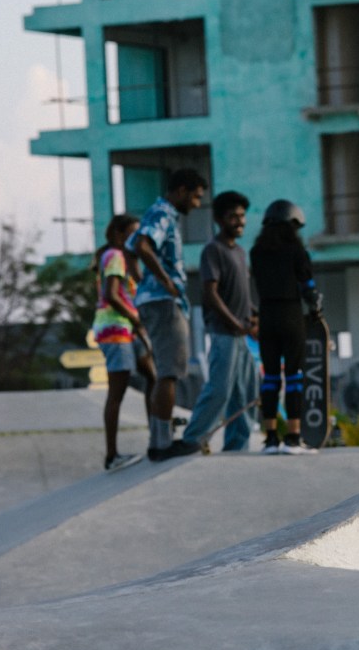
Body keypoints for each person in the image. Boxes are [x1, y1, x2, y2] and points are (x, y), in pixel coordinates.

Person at [128, 167, 209, 461]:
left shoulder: (157, 213)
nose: (197, 204)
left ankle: (160, 439)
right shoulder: (162, 213)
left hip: (156, 299)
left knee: (167, 372)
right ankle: (161, 444)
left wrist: (143, 284)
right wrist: (165, 282)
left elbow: (131, 250)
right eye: (196, 197)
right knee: (169, 373)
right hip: (163, 302)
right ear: (181, 191)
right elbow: (140, 245)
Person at [180, 190, 259, 453]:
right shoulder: (212, 250)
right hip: (224, 333)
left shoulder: (239, 252)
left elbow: (240, 294)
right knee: (220, 390)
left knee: (246, 393)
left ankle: (238, 446)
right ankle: (192, 439)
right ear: (218, 219)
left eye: (242, 216)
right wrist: (235, 323)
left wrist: (253, 316)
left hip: (241, 335)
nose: (239, 222)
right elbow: (210, 293)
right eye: (233, 217)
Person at [250, 199, 322, 455]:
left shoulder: (256, 253)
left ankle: (270, 438)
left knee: (270, 377)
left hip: (267, 316)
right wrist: (315, 309)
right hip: (291, 316)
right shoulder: (297, 252)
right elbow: (308, 288)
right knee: (293, 377)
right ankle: (293, 438)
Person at [92, 213, 156, 472]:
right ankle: (111, 455)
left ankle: (158, 438)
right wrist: (136, 321)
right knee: (116, 393)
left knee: (153, 376)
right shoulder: (114, 256)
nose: (136, 239)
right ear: (119, 236)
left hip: (129, 327)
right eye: (131, 234)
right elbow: (111, 295)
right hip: (115, 328)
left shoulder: (125, 257)